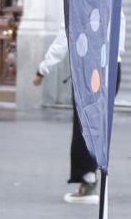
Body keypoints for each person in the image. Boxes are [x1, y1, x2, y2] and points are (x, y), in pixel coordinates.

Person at [33, 11, 124, 204]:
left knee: (85, 125)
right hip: (112, 68)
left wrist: (43, 69)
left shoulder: (79, 1)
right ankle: (92, 177)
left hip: (90, 68)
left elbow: (64, 37)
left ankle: (87, 181)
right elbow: (119, 31)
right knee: (96, 123)